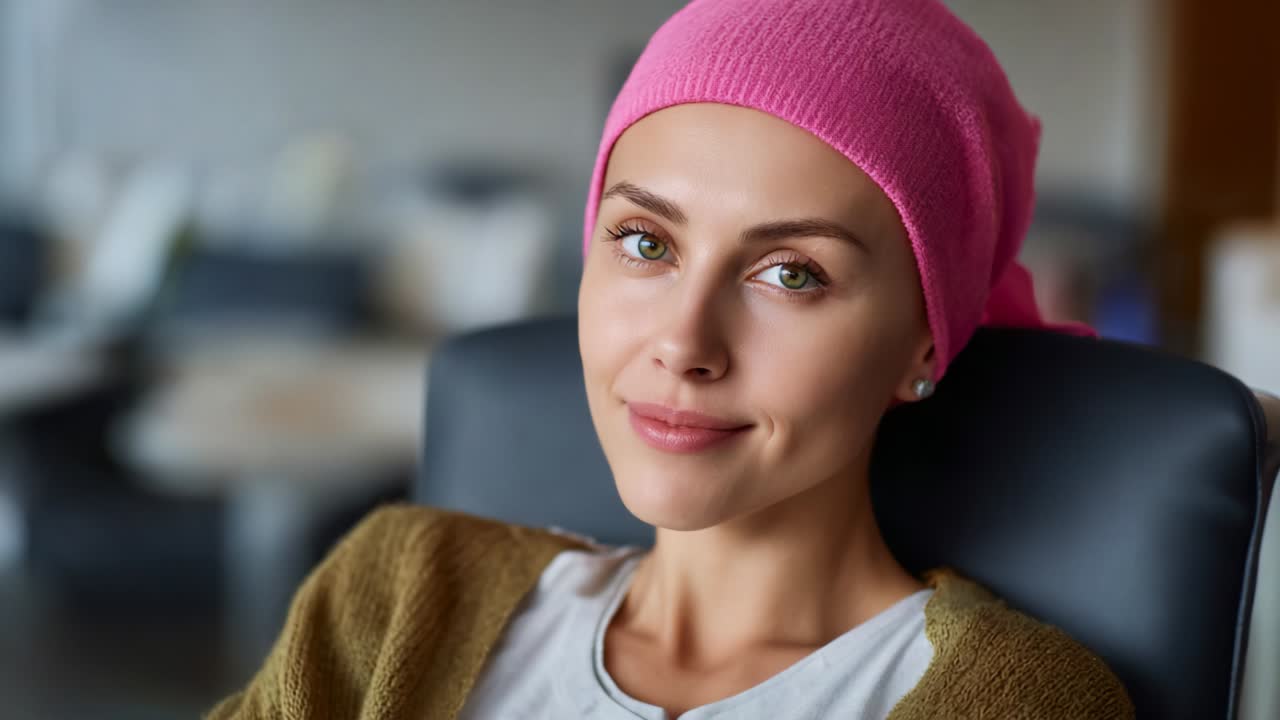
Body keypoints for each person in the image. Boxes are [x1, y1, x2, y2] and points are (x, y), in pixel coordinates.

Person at [208, 0, 1133, 718]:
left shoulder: (1021, 701)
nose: (684, 344)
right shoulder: (395, 590)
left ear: (924, 339)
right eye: (646, 243)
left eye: (791, 272)